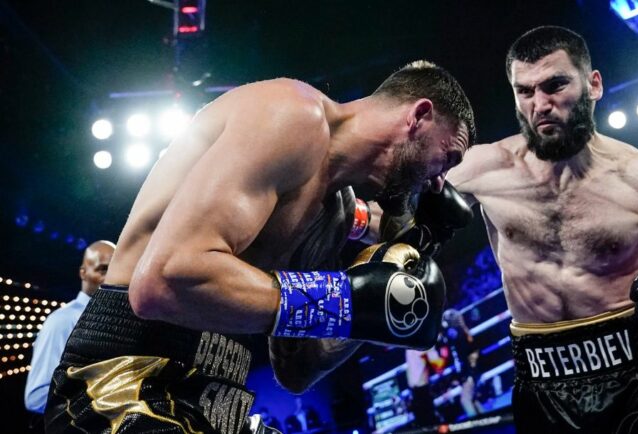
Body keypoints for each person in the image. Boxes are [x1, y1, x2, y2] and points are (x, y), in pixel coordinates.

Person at [43, 61, 476, 434]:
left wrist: (370, 315)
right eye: (449, 157)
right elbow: (160, 283)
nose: (439, 182)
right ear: (418, 116)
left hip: (216, 396)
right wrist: (342, 299)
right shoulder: (292, 114)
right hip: (121, 384)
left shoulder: (335, 211)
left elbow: (296, 369)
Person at [441, 26, 638, 433]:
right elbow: (399, 216)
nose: (540, 104)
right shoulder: (482, 169)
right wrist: (356, 220)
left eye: (555, 85)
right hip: (544, 378)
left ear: (593, 84)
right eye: (524, 91)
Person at [24, 240, 115, 414]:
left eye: (114, 270)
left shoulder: (117, 317)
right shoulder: (62, 321)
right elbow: (37, 397)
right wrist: (105, 406)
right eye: (103, 269)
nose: (110, 277)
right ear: (83, 273)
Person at [437, 309, 482, 419]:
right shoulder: (456, 334)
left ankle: (480, 427)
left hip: (469, 371)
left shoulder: (456, 334)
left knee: (465, 400)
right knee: (473, 400)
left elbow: (470, 352)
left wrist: (470, 373)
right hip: (466, 371)